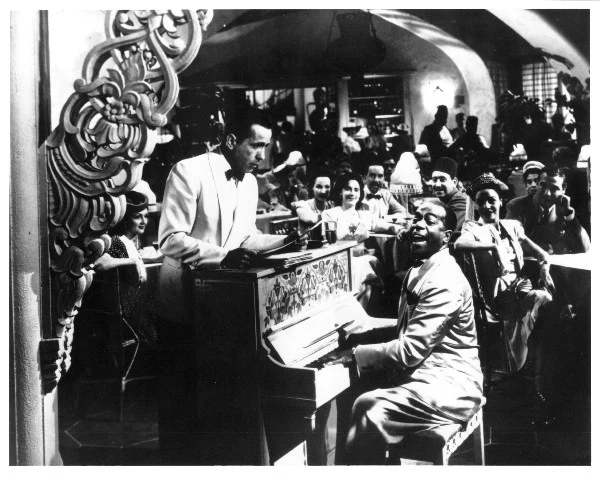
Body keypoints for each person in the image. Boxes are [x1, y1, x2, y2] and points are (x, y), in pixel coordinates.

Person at [156, 106, 300, 463]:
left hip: (223, 304)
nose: (262, 155)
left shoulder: (249, 182)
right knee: (183, 404)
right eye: (256, 145)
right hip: (183, 302)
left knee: (219, 401)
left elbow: (246, 237)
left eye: (266, 146)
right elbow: (170, 240)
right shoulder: (188, 171)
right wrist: (224, 256)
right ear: (232, 139)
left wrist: (286, 241)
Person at [341, 199, 483, 465]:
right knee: (356, 391)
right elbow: (409, 327)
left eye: (429, 222)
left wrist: (356, 354)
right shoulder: (423, 267)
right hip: (427, 374)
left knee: (368, 407)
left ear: (446, 237)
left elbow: (410, 350)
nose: (418, 225)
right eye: (416, 218)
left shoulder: (444, 279)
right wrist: (362, 332)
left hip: (450, 385)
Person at [453, 174, 558, 423]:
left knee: (549, 303)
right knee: (545, 302)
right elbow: (459, 244)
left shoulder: (512, 226)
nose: (487, 206)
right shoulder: (473, 228)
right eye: (481, 201)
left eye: (491, 200)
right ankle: (534, 374)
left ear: (500, 201)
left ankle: (541, 377)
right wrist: (493, 247)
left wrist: (544, 267)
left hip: (520, 289)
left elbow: (542, 254)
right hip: (497, 298)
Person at [322, 173, 402, 311]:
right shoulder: (330, 214)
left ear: (360, 194)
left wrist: (398, 229)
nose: (352, 193)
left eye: (356, 190)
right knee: (363, 268)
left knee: (366, 271)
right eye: (348, 189)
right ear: (340, 192)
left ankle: (359, 314)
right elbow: (329, 244)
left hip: (362, 260)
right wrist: (356, 251)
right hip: (337, 261)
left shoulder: (363, 215)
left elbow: (383, 225)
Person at [94, 191, 159, 349]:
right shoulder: (117, 241)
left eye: (146, 216)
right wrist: (132, 261)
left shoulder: (129, 241)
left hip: (137, 308)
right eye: (137, 216)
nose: (144, 221)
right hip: (128, 315)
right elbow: (99, 263)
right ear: (125, 219)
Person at [515, 165, 590, 255]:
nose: (547, 193)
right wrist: (547, 248)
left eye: (554, 189)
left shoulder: (566, 208)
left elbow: (585, 248)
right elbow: (513, 242)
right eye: (543, 186)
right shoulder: (517, 206)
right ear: (537, 185)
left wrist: (569, 215)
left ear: (563, 190)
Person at [430, 157, 468, 231]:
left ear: (454, 182)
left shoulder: (460, 200)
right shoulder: (445, 199)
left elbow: (445, 230)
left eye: (442, 180)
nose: (437, 184)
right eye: (434, 180)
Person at [506, 160, 545, 225]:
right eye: (529, 182)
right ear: (526, 185)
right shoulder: (515, 206)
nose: (533, 185)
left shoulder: (553, 202)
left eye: (536, 181)